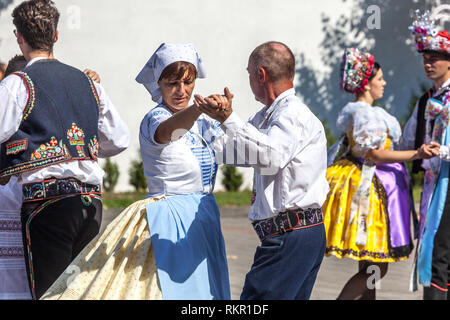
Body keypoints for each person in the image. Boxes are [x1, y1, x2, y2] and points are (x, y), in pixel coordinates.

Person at [41, 42, 230, 300]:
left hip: (203, 215)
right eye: (172, 83)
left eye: (188, 82)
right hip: (168, 219)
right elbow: (167, 132)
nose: (181, 90)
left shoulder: (205, 121)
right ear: (159, 84)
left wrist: (227, 116)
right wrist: (198, 108)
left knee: (204, 292)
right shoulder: (156, 117)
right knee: (169, 291)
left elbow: (237, 153)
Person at [0, 0, 130, 299]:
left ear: (19, 38)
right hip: (90, 203)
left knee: (52, 293)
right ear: (56, 35)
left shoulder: (19, 83)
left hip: (48, 203)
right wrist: (82, 146)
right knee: (79, 290)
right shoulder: (89, 83)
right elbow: (119, 139)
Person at [194, 41, 328, 300]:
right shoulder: (268, 115)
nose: (249, 81)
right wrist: (205, 118)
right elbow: (234, 151)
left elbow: (271, 157)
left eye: (248, 73)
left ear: (260, 75)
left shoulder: (291, 114)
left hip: (291, 234)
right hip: (294, 234)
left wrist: (228, 119)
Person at [323, 47, 438, 300]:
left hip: (363, 184)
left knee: (369, 264)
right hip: (370, 191)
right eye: (379, 79)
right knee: (377, 266)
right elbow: (374, 154)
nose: (384, 83)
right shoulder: (366, 115)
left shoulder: (359, 111)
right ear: (366, 85)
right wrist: (416, 154)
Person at [0, 54, 100, 300]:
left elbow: (112, 141)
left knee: (65, 289)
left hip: (46, 209)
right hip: (20, 224)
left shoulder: (50, 131)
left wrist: (88, 93)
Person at [402, 10, 450, 300]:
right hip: (433, 186)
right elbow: (406, 139)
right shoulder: (425, 101)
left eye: (435, 57)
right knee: (435, 254)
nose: (428, 63)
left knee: (439, 256)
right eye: (425, 57)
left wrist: (441, 150)